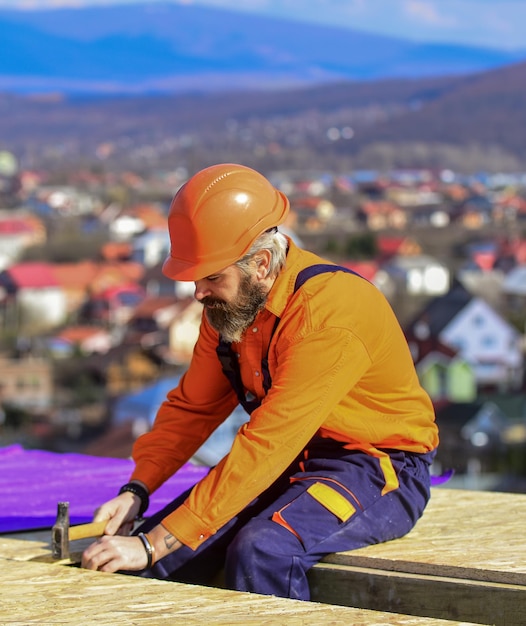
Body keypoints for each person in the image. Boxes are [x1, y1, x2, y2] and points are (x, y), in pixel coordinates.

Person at [82, 163, 439, 600]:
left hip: (375, 466)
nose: (198, 292)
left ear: (262, 264)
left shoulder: (329, 316)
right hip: (293, 460)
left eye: (212, 277)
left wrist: (153, 544)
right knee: (156, 555)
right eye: (196, 277)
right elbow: (192, 409)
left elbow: (269, 443)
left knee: (263, 551)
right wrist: (138, 490)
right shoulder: (230, 311)